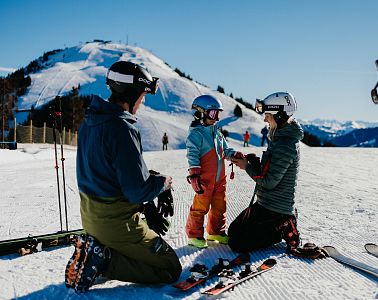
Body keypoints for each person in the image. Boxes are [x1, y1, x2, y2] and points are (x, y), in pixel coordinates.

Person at [65, 61, 182, 293]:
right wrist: (163, 183)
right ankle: (103, 262)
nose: (143, 100)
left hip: (91, 219)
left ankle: (101, 251)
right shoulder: (122, 128)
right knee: (170, 266)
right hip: (117, 223)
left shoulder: (91, 121)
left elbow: (110, 171)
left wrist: (150, 181)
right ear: (132, 93)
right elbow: (137, 190)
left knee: (146, 245)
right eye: (143, 94)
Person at [229, 92, 303, 253]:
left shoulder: (285, 145)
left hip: (276, 208)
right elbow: (269, 170)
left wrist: (246, 167)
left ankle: (285, 225)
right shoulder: (279, 139)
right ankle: (282, 222)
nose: (264, 119)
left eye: (268, 115)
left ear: (280, 116)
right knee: (233, 232)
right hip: (265, 203)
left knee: (237, 242)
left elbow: (269, 182)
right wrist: (252, 162)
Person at [185, 95, 243, 248]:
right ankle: (194, 235)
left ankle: (215, 232)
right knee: (200, 207)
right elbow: (192, 154)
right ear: (200, 113)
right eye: (212, 114)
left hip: (219, 180)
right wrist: (194, 174)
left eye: (218, 114)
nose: (216, 118)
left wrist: (234, 154)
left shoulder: (217, 132)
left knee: (220, 206)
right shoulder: (196, 133)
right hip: (204, 180)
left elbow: (226, 149)